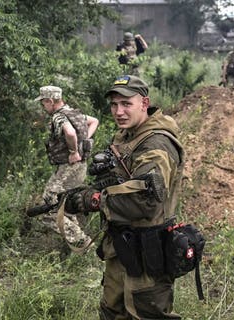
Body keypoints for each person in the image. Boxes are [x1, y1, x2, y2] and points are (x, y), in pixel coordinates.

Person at [64, 75, 185, 319]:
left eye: (126, 104)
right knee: (111, 312)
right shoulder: (128, 135)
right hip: (121, 247)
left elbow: (145, 202)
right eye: (114, 105)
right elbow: (121, 181)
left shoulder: (157, 144)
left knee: (146, 314)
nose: (119, 111)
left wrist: (94, 200)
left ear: (144, 103)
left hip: (148, 252)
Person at [34, 85, 99, 245]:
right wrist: (83, 140)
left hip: (68, 169)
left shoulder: (59, 117)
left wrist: (73, 151)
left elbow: (69, 133)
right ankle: (76, 249)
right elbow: (94, 121)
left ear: (50, 101)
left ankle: (82, 243)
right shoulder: (74, 113)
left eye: (43, 103)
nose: (43, 107)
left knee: (48, 209)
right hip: (80, 167)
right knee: (66, 207)